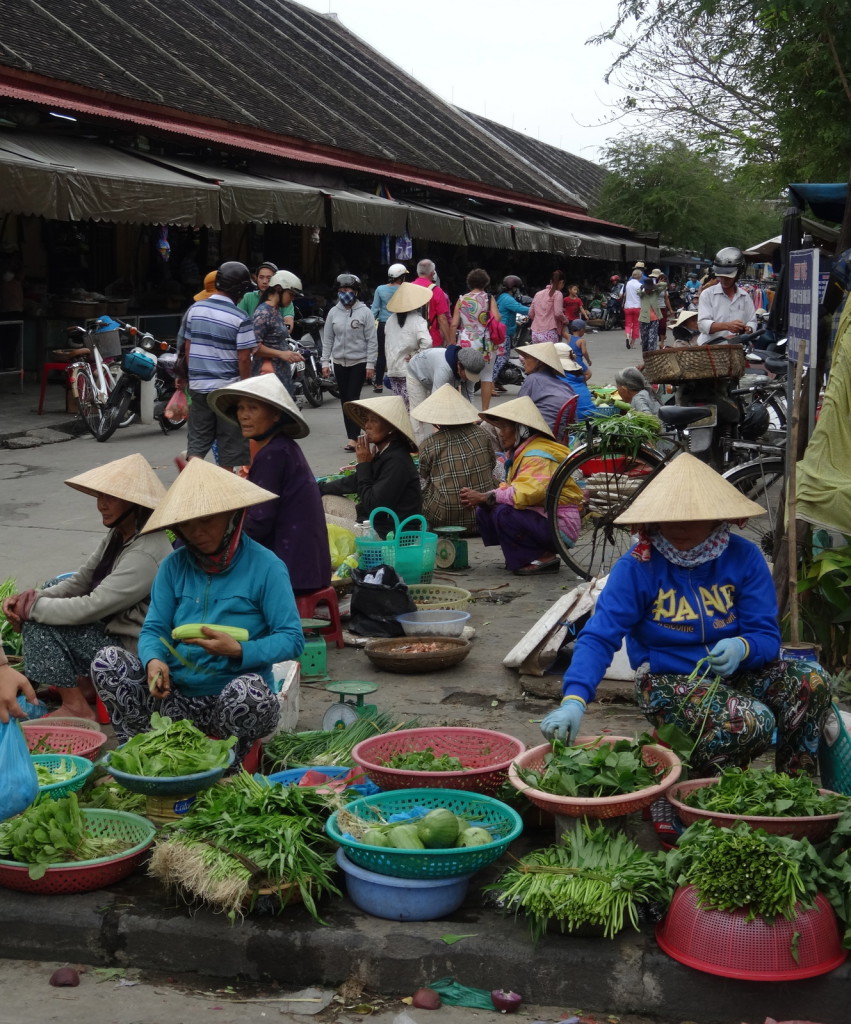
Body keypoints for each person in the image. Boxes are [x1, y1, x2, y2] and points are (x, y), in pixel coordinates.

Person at [541, 454, 830, 778]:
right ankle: (683, 781)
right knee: (751, 722)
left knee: (811, 679)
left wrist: (742, 647)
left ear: (715, 516)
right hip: (667, 679)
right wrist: (574, 700)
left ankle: (793, 788)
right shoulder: (639, 565)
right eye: (668, 516)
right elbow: (598, 637)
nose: (677, 526)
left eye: (690, 516)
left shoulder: (743, 557)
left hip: (736, 672)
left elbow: (765, 636)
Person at [92, 460, 304, 765]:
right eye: (187, 524)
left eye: (206, 521)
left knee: (251, 694)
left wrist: (240, 650)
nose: (197, 532)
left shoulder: (267, 567)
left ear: (232, 516)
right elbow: (153, 630)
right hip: (175, 699)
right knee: (107, 663)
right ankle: (144, 756)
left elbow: (292, 639)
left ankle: (229, 766)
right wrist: (154, 661)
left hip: (233, 701)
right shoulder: (173, 566)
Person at [2, 455, 171, 719]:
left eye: (110, 498)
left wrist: (31, 610)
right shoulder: (120, 533)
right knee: (51, 588)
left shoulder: (147, 551)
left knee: (39, 622)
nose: (101, 505)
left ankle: (76, 707)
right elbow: (81, 580)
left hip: (132, 650)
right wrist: (30, 599)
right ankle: (84, 688)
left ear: (135, 503)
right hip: (109, 626)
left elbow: (92, 606)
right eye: (99, 497)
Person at [209, 374, 331, 594]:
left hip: (292, 571)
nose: (244, 416)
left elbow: (259, 521)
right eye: (241, 408)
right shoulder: (282, 447)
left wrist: (221, 539)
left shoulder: (274, 454)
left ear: (275, 414)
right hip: (306, 567)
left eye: (253, 408)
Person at [460, 397, 582, 576]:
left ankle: (543, 556)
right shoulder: (523, 452)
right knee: (486, 509)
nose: (500, 434)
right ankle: (531, 553)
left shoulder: (537, 455)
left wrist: (485, 497)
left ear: (522, 430)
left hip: (560, 525)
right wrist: (485, 498)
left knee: (503, 513)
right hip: (544, 516)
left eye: (504, 428)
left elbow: (527, 493)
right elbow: (512, 488)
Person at [183, 260, 256, 472]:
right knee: (230, 445)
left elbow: (188, 347)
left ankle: (191, 484)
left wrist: (193, 376)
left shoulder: (194, 309)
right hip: (227, 391)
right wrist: (247, 388)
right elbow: (244, 358)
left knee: (197, 441)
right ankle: (226, 495)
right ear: (240, 289)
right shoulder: (240, 317)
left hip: (198, 386)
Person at [318, 396, 421, 537]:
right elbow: (353, 482)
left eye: (374, 421)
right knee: (326, 499)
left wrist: (364, 464)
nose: (367, 425)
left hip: (387, 536)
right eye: (367, 420)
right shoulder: (385, 453)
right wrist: (318, 488)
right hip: (371, 523)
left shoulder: (397, 461)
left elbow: (373, 505)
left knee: (316, 519)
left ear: (391, 428)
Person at [411, 384, 496, 533]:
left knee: (417, 488)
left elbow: (423, 475)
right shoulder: (482, 434)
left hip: (443, 518)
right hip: (483, 514)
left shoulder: (429, 444)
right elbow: (492, 463)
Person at [321, 273, 377, 451]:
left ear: (356, 292)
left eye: (348, 290)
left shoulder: (365, 312)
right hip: (339, 362)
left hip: (359, 362)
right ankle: (352, 435)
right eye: (341, 290)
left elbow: (372, 340)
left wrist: (370, 364)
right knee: (345, 401)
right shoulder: (333, 312)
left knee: (353, 398)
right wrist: (325, 363)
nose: (344, 293)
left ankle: (354, 438)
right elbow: (328, 339)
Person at [406, 345, 485, 445]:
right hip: (417, 373)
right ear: (459, 365)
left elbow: (468, 398)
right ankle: (418, 448)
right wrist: (439, 433)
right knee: (417, 414)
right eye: (468, 375)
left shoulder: (471, 368)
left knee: (453, 410)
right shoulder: (444, 368)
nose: (469, 379)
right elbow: (436, 401)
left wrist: (472, 419)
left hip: (435, 372)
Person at [450, 268, 501, 412]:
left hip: (466, 343)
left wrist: (451, 344)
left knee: (465, 377)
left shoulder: (461, 299)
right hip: (485, 344)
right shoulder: (489, 298)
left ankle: (467, 410)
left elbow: (454, 324)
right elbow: (496, 318)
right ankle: (484, 411)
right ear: (485, 283)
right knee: (486, 376)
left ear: (469, 283)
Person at [251, 270, 305, 396]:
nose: (292, 299)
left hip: (280, 377)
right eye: (290, 294)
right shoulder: (263, 313)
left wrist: (289, 354)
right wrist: (282, 354)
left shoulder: (275, 311)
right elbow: (254, 346)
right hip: (268, 379)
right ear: (279, 289)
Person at [383, 281, 433, 405]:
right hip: (410, 370)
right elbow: (427, 342)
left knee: (400, 409)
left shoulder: (390, 320)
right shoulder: (418, 320)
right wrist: (416, 354)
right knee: (413, 409)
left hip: (393, 369)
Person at [697, 248, 756, 345]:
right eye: (721, 276)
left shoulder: (745, 296)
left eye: (728, 276)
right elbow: (702, 325)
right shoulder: (707, 294)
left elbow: (752, 321)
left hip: (736, 349)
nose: (724, 279)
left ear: (738, 273)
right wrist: (727, 326)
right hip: (711, 349)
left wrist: (748, 329)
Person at [516, 341, 579, 433]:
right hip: (562, 435)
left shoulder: (533, 379)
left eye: (526, 357)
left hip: (542, 433)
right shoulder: (564, 385)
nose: (523, 361)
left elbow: (517, 410)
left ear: (539, 362)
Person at [370, 263, 409, 393]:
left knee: (382, 355)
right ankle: (400, 381)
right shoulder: (406, 289)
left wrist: (369, 326)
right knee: (401, 353)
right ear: (401, 276)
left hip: (383, 325)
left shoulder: (380, 289)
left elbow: (374, 310)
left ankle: (378, 383)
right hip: (400, 325)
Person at [494, 275, 531, 389]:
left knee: (501, 358)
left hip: (503, 331)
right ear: (513, 288)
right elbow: (520, 308)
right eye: (517, 288)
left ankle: (497, 382)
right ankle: (490, 383)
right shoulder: (507, 298)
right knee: (502, 358)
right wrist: (537, 308)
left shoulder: (502, 297)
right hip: (503, 333)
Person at [238, 262, 295, 330]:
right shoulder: (247, 297)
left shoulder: (284, 299)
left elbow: (288, 323)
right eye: (261, 277)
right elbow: (238, 320)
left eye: (269, 278)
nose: (264, 281)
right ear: (256, 278)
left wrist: (282, 332)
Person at [412, 258, 452, 348]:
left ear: (417, 272)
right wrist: (449, 342)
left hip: (411, 338)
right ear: (432, 273)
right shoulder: (437, 291)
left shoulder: (408, 287)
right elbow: (442, 319)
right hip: (431, 338)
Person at [554, 343, 597, 420]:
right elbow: (588, 374)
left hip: (575, 420)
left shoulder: (557, 378)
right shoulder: (578, 376)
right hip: (592, 415)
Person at [528, 271, 566, 345]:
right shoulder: (557, 294)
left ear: (550, 281)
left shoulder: (538, 294)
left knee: (538, 355)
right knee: (550, 355)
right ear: (561, 282)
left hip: (535, 332)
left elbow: (530, 313)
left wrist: (539, 320)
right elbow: (558, 313)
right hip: (549, 331)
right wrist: (565, 320)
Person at [638, 272, 663, 354]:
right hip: (644, 319)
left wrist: (656, 285)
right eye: (647, 288)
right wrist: (641, 288)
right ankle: (646, 357)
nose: (648, 290)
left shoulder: (655, 293)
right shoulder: (642, 294)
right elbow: (638, 292)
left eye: (650, 288)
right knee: (645, 340)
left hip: (654, 320)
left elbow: (664, 285)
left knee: (652, 340)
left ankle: (652, 356)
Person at [623, 269, 642, 350]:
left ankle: (627, 336)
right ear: (639, 276)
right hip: (637, 306)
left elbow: (623, 294)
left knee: (628, 324)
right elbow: (642, 295)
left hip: (628, 306)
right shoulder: (640, 285)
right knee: (636, 325)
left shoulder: (628, 283)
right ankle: (632, 344)